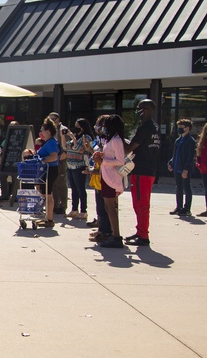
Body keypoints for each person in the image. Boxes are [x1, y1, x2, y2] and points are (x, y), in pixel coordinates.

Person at [125, 99, 160, 246]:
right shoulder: (155, 127)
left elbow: (131, 147)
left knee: (141, 204)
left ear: (145, 110)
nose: (138, 112)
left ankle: (143, 236)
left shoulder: (145, 128)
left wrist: (121, 143)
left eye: (139, 109)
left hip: (141, 171)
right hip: (149, 170)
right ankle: (140, 231)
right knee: (140, 203)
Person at [93, 114, 127, 249]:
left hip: (112, 177)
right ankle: (114, 234)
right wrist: (102, 155)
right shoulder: (110, 139)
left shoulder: (117, 140)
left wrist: (103, 161)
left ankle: (116, 236)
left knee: (111, 207)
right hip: (106, 175)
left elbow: (120, 160)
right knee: (108, 207)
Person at [65, 118, 94, 220]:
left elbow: (81, 149)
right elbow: (67, 146)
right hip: (70, 165)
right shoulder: (76, 137)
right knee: (73, 189)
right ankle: (74, 209)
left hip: (80, 165)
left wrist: (73, 138)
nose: (76, 128)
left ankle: (83, 210)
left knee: (80, 188)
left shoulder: (86, 137)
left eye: (78, 126)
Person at [35, 120, 61, 228]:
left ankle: (49, 219)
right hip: (48, 171)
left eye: (43, 131)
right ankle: (47, 218)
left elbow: (54, 156)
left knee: (48, 195)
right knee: (46, 195)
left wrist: (42, 161)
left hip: (50, 170)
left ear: (49, 131)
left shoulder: (51, 143)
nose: (41, 133)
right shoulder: (49, 142)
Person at [167, 118, 195, 217]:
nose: (179, 129)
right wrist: (171, 163)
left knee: (187, 188)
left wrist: (186, 169)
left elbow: (190, 157)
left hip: (184, 168)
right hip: (177, 167)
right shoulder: (178, 140)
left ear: (187, 128)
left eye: (181, 128)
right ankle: (179, 207)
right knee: (178, 188)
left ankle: (187, 208)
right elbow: (175, 154)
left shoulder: (190, 141)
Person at [47, 112, 69, 214]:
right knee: (53, 183)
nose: (52, 121)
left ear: (58, 119)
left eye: (54, 119)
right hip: (52, 159)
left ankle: (62, 205)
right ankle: (55, 204)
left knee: (61, 182)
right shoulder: (51, 129)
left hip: (60, 159)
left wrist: (64, 153)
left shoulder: (63, 129)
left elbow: (67, 145)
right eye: (50, 118)